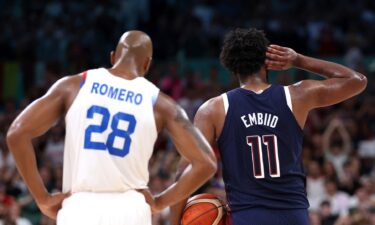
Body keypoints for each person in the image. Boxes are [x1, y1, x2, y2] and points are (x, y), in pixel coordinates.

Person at [6, 30, 217, 225]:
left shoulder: (74, 85)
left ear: (113, 56)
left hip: (80, 208)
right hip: (130, 210)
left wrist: (42, 198)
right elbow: (206, 163)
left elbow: (17, 132)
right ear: (147, 64)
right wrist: (160, 202)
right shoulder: (161, 104)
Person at [171, 28, 367, 225]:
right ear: (269, 61)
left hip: (247, 216)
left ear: (231, 67)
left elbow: (184, 171)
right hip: (293, 215)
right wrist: (298, 60)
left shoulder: (212, 109)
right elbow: (357, 81)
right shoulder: (296, 96)